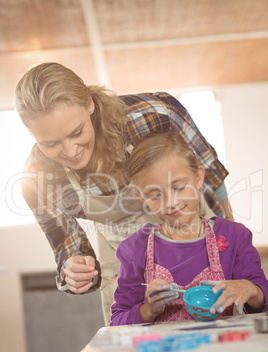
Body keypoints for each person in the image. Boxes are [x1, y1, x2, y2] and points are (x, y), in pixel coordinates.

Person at [15, 62, 233, 325]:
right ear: (31, 133)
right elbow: (70, 250)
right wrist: (74, 270)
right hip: (123, 261)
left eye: (77, 132)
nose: (71, 151)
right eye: (50, 143)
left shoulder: (154, 114)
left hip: (191, 236)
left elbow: (210, 174)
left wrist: (232, 244)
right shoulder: (38, 179)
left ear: (90, 103)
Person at [110, 131, 268, 326]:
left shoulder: (235, 236)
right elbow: (117, 321)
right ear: (141, 197)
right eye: (155, 195)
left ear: (198, 177)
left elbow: (262, 300)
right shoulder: (135, 249)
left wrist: (249, 289)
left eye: (178, 188)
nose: (170, 202)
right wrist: (148, 310)